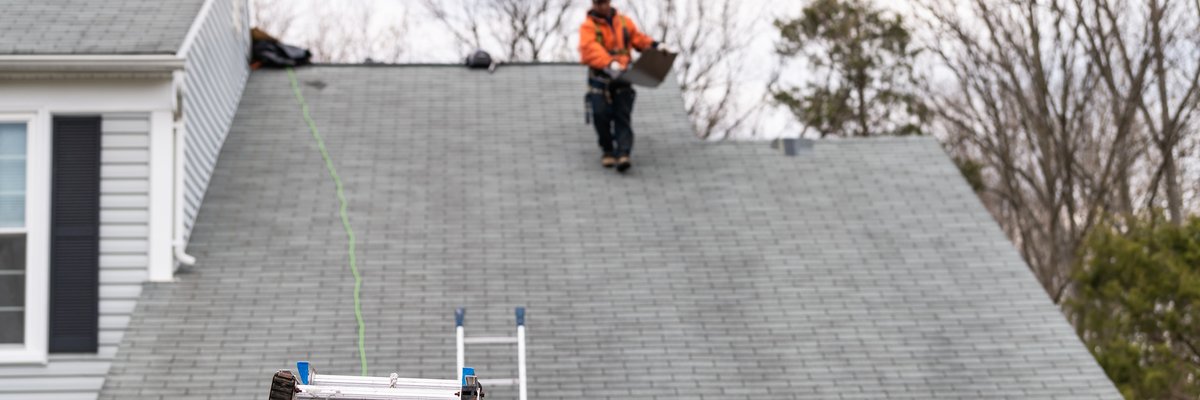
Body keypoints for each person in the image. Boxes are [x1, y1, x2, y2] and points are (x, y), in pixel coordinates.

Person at [578, 0, 664, 172]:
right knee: (600, 114)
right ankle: (608, 150)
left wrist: (655, 46)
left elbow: (638, 38)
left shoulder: (624, 22)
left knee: (622, 115)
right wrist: (609, 62)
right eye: (598, 3)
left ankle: (623, 153)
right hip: (601, 79)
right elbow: (590, 49)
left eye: (603, 3)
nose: (601, 6)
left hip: (623, 77)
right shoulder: (588, 27)